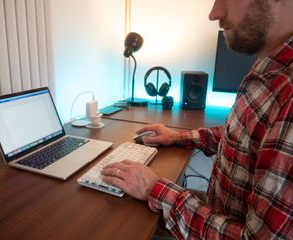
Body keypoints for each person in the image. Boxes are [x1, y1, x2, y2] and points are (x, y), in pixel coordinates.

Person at [102, 0, 293, 239]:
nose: (214, 13)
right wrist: (177, 137)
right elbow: (242, 136)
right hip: (218, 208)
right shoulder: (269, 69)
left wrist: (154, 188)